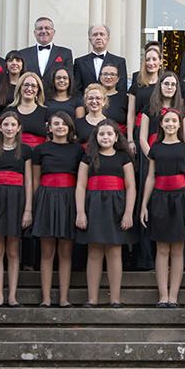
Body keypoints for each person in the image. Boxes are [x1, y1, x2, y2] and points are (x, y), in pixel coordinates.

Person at [74, 123, 136, 307]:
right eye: (102, 134)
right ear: (96, 137)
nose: (106, 137)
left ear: (117, 137)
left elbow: (131, 186)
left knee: (115, 250)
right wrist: (80, 212)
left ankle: (115, 298)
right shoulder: (88, 158)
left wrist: (128, 213)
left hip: (116, 207)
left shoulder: (124, 158)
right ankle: (92, 299)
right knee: (94, 251)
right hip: (93, 206)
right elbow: (80, 186)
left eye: (110, 134)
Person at [141, 108, 185, 307]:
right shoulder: (155, 149)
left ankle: (174, 296)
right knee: (162, 248)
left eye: (174, 121)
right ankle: (163, 295)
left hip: (181, 199)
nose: (171, 124)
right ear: (162, 124)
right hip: (159, 199)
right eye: (167, 121)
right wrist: (144, 205)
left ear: (179, 124)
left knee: (178, 249)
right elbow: (150, 177)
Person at [31, 111, 85, 307]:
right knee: (46, 252)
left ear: (70, 127)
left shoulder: (78, 150)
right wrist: (35, 205)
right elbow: (36, 180)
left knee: (65, 252)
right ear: (49, 127)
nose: (60, 126)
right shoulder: (40, 150)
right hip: (46, 197)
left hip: (69, 198)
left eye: (64, 123)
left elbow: (81, 180)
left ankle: (64, 298)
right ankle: (45, 298)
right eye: (56, 123)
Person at [0, 112, 33, 307]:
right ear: (0, 127)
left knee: (13, 250)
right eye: (6, 124)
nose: (10, 128)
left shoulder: (26, 151)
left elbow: (29, 181)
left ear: (19, 127)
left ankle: (12, 295)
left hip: (17, 199)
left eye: (13, 124)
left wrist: (28, 209)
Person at [17, 16, 74, 82]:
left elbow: (70, 78)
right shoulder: (23, 54)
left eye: (47, 28)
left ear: (53, 32)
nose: (43, 31)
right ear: (35, 33)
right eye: (40, 28)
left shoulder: (65, 53)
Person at [74, 24, 128, 92]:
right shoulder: (79, 62)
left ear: (108, 39)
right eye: (95, 35)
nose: (98, 37)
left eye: (102, 34)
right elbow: (76, 89)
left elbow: (122, 88)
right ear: (90, 39)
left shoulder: (119, 62)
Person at [2, 72, 48, 150]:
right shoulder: (8, 110)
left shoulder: (46, 112)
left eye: (33, 86)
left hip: (38, 155)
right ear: (20, 88)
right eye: (26, 85)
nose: (29, 89)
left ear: (38, 90)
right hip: (14, 153)